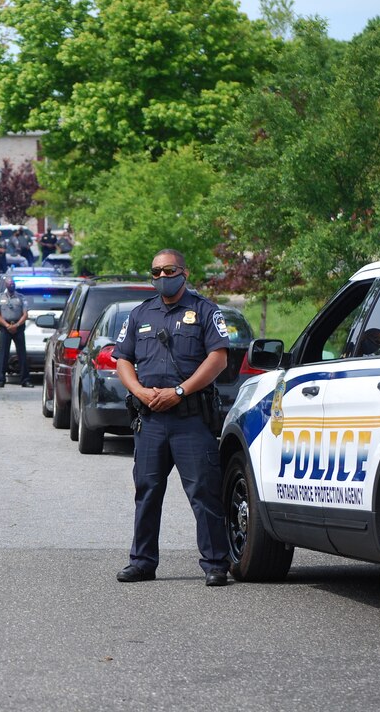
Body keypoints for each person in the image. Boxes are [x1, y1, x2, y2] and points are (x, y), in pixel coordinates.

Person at [113, 249, 231, 586]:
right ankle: (142, 562)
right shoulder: (139, 314)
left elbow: (218, 359)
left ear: (184, 272)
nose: (163, 277)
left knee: (203, 493)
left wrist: (179, 391)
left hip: (190, 420)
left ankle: (215, 564)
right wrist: (139, 391)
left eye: (169, 270)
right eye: (156, 272)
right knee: (147, 491)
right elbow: (123, 359)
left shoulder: (205, 310)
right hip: (150, 419)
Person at [0, 276, 32, 388]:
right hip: (5, 328)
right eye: (10, 284)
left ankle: (25, 380)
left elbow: (25, 314)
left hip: (18, 327)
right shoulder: (0, 298)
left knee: (22, 354)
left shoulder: (21, 297)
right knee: (3, 354)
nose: (12, 285)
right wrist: (6, 325)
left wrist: (16, 325)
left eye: (13, 284)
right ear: (6, 285)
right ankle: (1, 379)